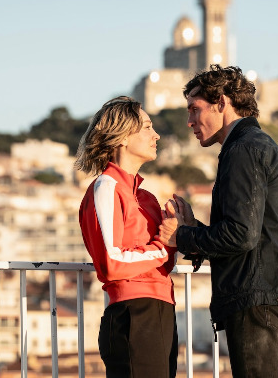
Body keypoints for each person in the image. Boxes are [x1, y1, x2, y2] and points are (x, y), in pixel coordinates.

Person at [157, 65, 278, 378]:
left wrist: (180, 237)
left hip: (255, 299)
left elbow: (241, 235)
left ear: (221, 102)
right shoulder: (261, 145)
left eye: (195, 109)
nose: (189, 121)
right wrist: (194, 230)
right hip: (273, 294)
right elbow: (271, 232)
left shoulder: (243, 150)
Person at [76, 96, 178, 378]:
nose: (156, 135)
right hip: (133, 315)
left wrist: (181, 231)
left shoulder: (147, 198)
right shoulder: (106, 187)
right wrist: (164, 245)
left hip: (162, 310)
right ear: (121, 136)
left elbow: (165, 262)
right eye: (147, 127)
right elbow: (112, 263)